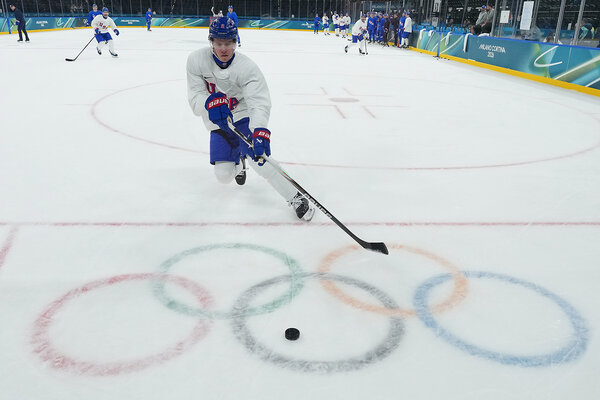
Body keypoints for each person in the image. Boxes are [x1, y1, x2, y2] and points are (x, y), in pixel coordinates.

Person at [186, 17, 315, 221]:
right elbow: (195, 98)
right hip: (218, 120)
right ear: (211, 42)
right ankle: (239, 161)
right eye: (219, 43)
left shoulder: (247, 67)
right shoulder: (196, 60)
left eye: (229, 43)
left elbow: (259, 101)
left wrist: (259, 129)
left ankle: (295, 197)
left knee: (260, 159)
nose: (224, 49)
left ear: (236, 42)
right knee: (223, 176)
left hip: (241, 114)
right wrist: (208, 103)